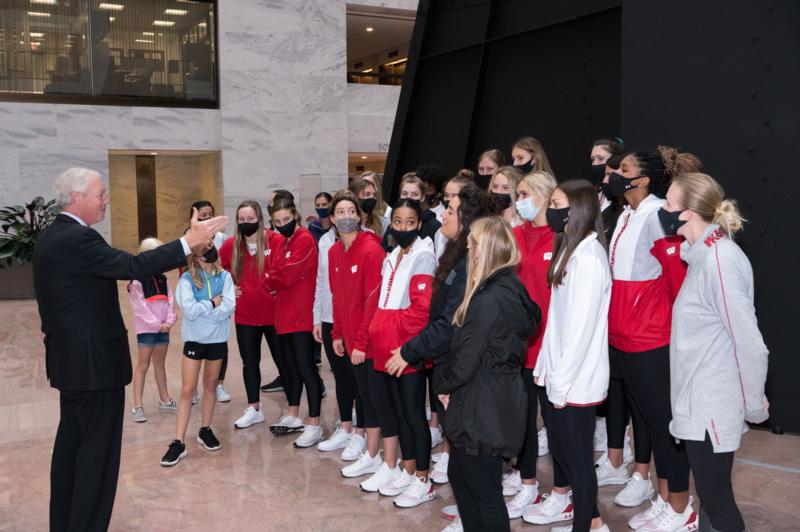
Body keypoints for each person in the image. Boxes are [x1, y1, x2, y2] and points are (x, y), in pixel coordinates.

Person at [34, 167, 227, 531]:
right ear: (77, 198)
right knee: (96, 456)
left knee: (71, 451)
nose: (107, 200)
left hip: (71, 364)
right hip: (94, 368)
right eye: (101, 194)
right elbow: (133, 265)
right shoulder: (77, 239)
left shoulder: (52, 236)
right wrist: (188, 242)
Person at [662, 172, 769, 532]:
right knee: (711, 499)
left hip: (710, 408)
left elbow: (750, 343)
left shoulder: (720, 261)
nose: (663, 208)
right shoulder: (703, 257)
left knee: (717, 501)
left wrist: (754, 404)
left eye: (669, 203)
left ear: (689, 213)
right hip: (698, 404)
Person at [384, 183, 496, 516]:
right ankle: (469, 513)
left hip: (464, 370)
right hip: (448, 365)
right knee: (458, 449)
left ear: (467, 218)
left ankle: (476, 514)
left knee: (470, 453)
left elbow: (450, 324)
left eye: (449, 209)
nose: (443, 214)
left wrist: (408, 350)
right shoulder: (456, 253)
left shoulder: (468, 264)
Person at [606, 147, 702, 532]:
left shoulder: (658, 214)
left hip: (650, 337)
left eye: (623, 168)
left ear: (642, 179)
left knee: (665, 426)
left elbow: (676, 278)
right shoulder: (626, 214)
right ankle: (665, 500)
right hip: (623, 336)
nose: (615, 172)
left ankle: (682, 508)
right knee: (645, 420)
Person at [435, 216, 538, 532]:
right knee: (461, 478)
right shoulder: (508, 287)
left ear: (486, 250)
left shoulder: (489, 299)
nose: (468, 252)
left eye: (472, 247)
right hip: (490, 396)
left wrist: (443, 385)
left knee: (484, 491)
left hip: (483, 403)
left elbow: (467, 357)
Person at [529, 179, 612, 532]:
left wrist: (560, 383)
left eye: (558, 203)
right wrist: (545, 368)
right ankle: (591, 522)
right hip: (560, 376)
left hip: (577, 381)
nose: (551, 210)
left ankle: (587, 526)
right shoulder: (570, 250)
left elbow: (578, 332)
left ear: (576, 209)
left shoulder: (590, 259)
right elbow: (557, 322)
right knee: (564, 453)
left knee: (578, 461)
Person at [360, 199, 438, 508]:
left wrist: (399, 342)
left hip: (407, 348)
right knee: (397, 411)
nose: (403, 227)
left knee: (413, 414)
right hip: (386, 346)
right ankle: (407, 468)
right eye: (398, 222)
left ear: (419, 224)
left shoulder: (424, 256)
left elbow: (421, 312)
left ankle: (423, 477)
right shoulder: (392, 255)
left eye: (410, 222)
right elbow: (382, 302)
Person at [502, 171, 557, 519]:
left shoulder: (561, 237)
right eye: (517, 193)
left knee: (556, 422)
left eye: (524, 192)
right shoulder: (515, 235)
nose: (519, 199)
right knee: (522, 421)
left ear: (545, 196)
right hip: (520, 344)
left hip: (552, 346)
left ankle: (563, 492)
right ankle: (528, 485)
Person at [325, 191, 386, 471]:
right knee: (362, 394)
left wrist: (361, 342)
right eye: (340, 212)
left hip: (369, 340)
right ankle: (370, 452)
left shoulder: (371, 249)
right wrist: (337, 333)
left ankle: (374, 456)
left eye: (351, 211)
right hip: (348, 338)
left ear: (360, 216)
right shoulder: (334, 251)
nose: (346, 217)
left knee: (372, 398)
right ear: (332, 219)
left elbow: (372, 301)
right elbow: (337, 296)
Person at [160, 239, 235, 466]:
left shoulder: (225, 276)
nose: (209, 251)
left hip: (218, 339)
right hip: (195, 339)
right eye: (204, 250)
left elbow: (230, 305)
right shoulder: (186, 280)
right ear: (195, 255)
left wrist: (212, 310)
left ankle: (205, 429)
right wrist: (213, 304)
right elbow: (190, 312)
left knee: (211, 385)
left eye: (211, 247)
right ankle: (178, 442)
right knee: (187, 390)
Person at [218, 201, 283, 430]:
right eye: (242, 219)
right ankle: (254, 408)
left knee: (284, 361)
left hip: (275, 314)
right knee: (250, 363)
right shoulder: (230, 246)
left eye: (250, 219)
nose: (246, 223)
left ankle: (292, 410)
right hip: (246, 316)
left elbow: (287, 269)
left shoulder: (275, 241)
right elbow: (219, 272)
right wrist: (228, 289)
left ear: (260, 219)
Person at [264, 198, 324, 448]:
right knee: (289, 368)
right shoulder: (282, 241)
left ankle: (314, 423)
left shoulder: (305, 239)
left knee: (305, 368)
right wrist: (272, 278)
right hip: (283, 314)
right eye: (277, 222)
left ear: (296, 216)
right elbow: (269, 271)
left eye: (286, 220)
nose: (281, 225)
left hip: (301, 315)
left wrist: (272, 278)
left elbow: (285, 275)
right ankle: (292, 413)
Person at [127, 238, 178, 423]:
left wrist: (169, 320)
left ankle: (164, 399)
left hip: (164, 327)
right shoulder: (137, 280)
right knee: (143, 365)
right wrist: (157, 324)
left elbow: (170, 301)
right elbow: (139, 307)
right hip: (147, 329)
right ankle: (137, 406)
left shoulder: (163, 278)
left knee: (160, 363)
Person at [190, 200, 231, 402]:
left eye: (210, 214)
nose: (207, 218)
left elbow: (229, 266)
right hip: (199, 297)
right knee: (197, 344)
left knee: (219, 342)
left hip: (219, 297)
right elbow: (185, 268)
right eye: (203, 215)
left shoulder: (224, 238)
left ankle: (219, 384)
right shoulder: (189, 238)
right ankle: (194, 387)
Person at [382, 175, 441, 251]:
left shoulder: (433, 226)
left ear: (422, 197)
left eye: (415, 194)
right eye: (405, 194)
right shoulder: (394, 222)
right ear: (400, 196)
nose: (409, 197)